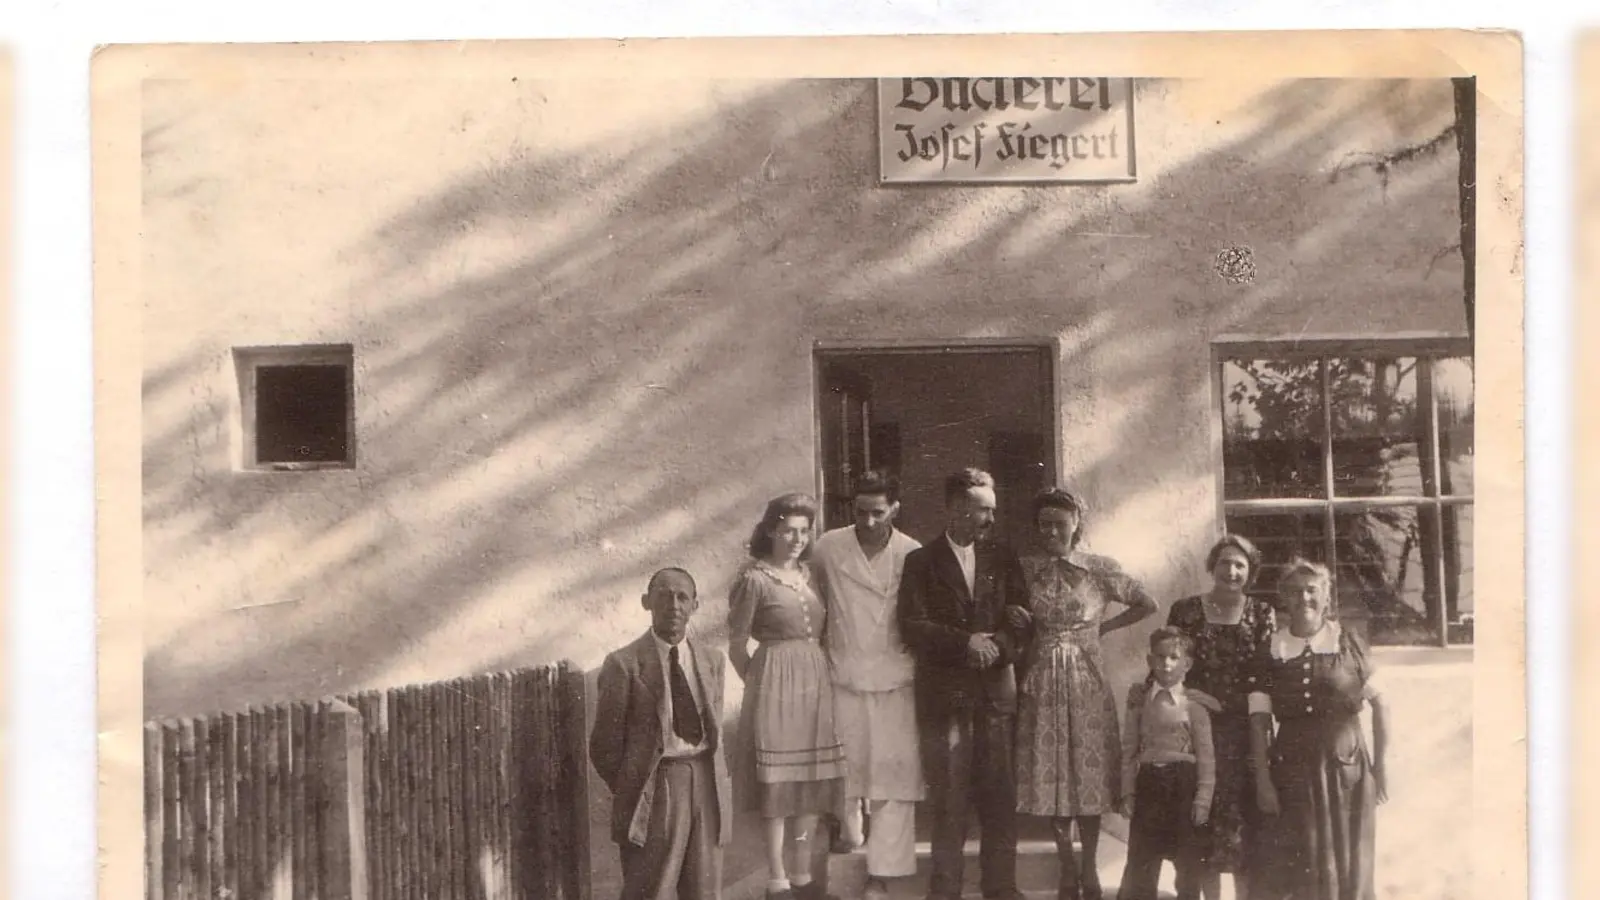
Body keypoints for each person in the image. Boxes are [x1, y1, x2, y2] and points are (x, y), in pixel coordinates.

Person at [1009, 487, 1157, 900]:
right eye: (1044, 525)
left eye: (1060, 524)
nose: (1052, 532)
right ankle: (1066, 868)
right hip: (1042, 680)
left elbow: (1147, 602)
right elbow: (1011, 613)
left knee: (1087, 777)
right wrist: (1019, 620)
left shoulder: (1099, 568)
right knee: (1054, 777)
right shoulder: (1026, 569)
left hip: (1086, 680)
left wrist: (1104, 628)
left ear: (1076, 525)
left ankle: (1089, 866)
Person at [897, 468, 1031, 900]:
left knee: (999, 799)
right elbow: (912, 625)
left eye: (992, 510)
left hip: (995, 695)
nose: (991, 519)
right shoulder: (921, 562)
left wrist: (998, 647)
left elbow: (1022, 620)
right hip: (946, 698)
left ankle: (1002, 888)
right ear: (956, 509)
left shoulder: (1003, 558)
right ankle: (945, 891)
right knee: (949, 802)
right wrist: (965, 643)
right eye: (983, 510)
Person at [811, 470, 925, 900]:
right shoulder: (828, 547)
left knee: (894, 779)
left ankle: (884, 873)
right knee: (845, 768)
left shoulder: (911, 552)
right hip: (843, 673)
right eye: (860, 512)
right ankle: (850, 835)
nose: (868, 521)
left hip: (896, 676)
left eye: (878, 512)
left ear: (895, 509)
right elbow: (812, 600)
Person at [728, 493, 847, 900]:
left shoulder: (812, 576)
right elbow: (737, 645)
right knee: (777, 787)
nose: (797, 539)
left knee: (809, 783)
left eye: (804, 531)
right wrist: (760, 685)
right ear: (770, 531)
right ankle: (776, 881)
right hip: (774, 686)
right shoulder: (755, 579)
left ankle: (802, 877)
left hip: (815, 683)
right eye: (788, 531)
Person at [1248, 560, 1391, 900]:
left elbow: (1381, 705)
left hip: (1347, 770)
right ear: (1284, 598)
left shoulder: (1349, 642)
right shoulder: (1270, 649)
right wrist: (1263, 780)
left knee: (1350, 858)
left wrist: (1381, 766)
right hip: (1293, 771)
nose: (1304, 598)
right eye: (1295, 591)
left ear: (1326, 596)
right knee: (1304, 860)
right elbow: (1258, 721)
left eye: (1312, 590)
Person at [590, 568, 734, 900]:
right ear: (647, 602)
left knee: (705, 889)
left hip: (706, 781)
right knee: (652, 889)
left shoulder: (712, 660)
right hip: (655, 785)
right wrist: (637, 787)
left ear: (695, 605)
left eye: (683, 597)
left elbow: (714, 729)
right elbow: (604, 747)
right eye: (664, 596)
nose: (674, 605)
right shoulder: (624, 664)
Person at [1164, 535, 1277, 900]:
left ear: (1250, 572)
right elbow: (1170, 664)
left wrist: (1222, 703)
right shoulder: (1185, 611)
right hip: (1195, 733)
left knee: (1245, 828)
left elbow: (1264, 676)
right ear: (1212, 566)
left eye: (1240, 565)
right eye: (1225, 562)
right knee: (1200, 823)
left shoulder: (1262, 613)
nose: (1231, 571)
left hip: (1244, 735)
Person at [1116, 627, 1219, 900]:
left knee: (1187, 861)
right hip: (1149, 783)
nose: (1167, 664)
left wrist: (1202, 800)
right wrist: (1128, 793)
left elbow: (1206, 757)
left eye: (1174, 657)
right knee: (1142, 859)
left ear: (1188, 663)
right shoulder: (1139, 702)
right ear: (1150, 660)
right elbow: (1129, 750)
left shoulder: (1194, 705)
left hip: (1183, 785)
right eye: (1160, 657)